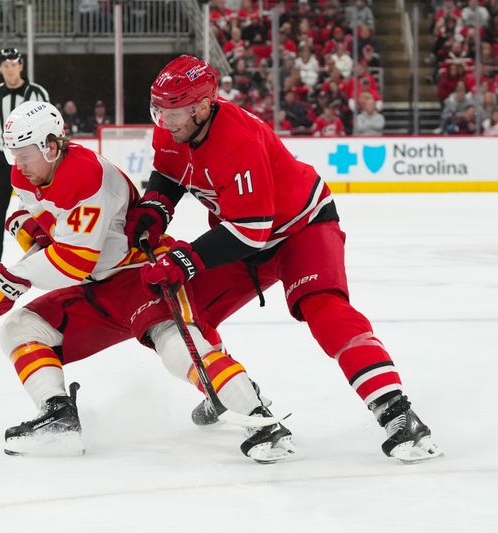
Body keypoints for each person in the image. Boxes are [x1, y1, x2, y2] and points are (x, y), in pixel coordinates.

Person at [125, 55, 442, 463]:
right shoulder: (171, 130)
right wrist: (155, 208)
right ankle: (231, 391)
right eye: (158, 110)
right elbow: (170, 175)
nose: (163, 121)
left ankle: (398, 413)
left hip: (300, 227)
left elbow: (252, 228)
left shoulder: (237, 139)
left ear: (202, 107)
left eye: (172, 112)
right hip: (244, 235)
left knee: (323, 307)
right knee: (175, 312)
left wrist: (186, 259)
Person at [0, 101, 296, 461]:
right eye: (14, 154)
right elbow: (40, 217)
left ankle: (261, 420)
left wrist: (9, 281)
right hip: (95, 289)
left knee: (176, 348)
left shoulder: (85, 174)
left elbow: (75, 260)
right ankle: (58, 418)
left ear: (51, 145)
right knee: (19, 328)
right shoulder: (25, 173)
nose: (19, 165)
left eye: (25, 154)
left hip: (139, 276)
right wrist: (29, 227)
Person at [0, 48, 50, 273]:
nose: (10, 69)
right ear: (0, 69)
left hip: (32, 158)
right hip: (1, 157)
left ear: (21, 66)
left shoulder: (38, 93)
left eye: (13, 64)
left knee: (39, 204)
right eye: (5, 65)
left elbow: (50, 121)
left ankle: (47, 249)